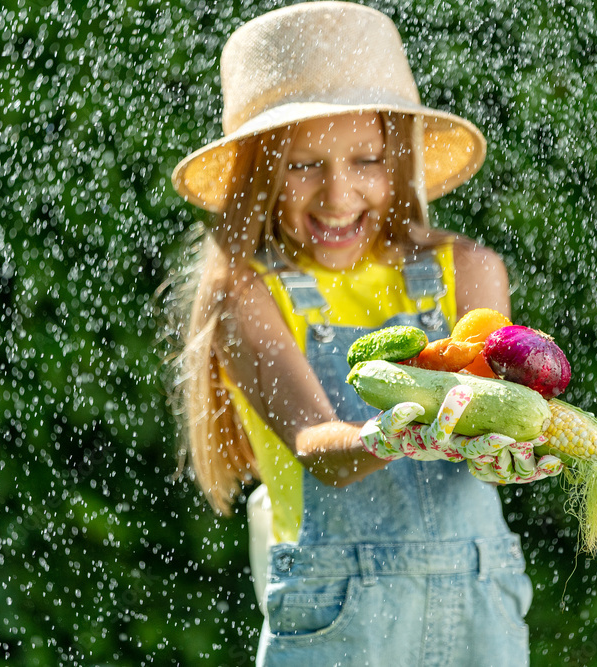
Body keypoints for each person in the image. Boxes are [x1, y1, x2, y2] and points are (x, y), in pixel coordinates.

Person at [168, 3, 561, 665]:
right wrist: (399, 430)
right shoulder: (245, 297)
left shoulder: (468, 269)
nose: (337, 194)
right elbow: (317, 445)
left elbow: (488, 424)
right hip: (338, 621)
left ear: (398, 157)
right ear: (257, 174)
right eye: (302, 165)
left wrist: (511, 442)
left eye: (367, 160)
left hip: (480, 606)